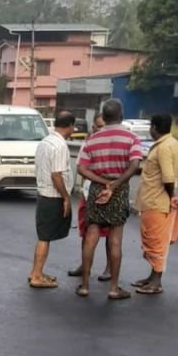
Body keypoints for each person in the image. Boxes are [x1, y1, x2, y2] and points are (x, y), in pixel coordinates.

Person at [75, 98, 144, 300]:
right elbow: (134, 165)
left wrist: (102, 181)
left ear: (103, 117)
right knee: (115, 239)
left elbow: (81, 167)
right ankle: (114, 288)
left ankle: (85, 285)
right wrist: (115, 184)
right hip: (119, 189)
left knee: (91, 235)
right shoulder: (132, 138)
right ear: (121, 115)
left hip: (97, 189)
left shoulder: (92, 139)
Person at [132, 113, 178, 294]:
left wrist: (172, 196)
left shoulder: (164, 147)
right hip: (153, 200)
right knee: (152, 240)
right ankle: (152, 277)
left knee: (156, 242)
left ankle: (156, 282)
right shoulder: (170, 144)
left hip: (156, 201)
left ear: (153, 127)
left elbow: (168, 177)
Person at [29, 111, 76, 288]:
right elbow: (57, 175)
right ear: (70, 125)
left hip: (43, 192)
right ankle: (37, 276)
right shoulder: (59, 146)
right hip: (52, 196)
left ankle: (36, 271)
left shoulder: (45, 142)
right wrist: (66, 197)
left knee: (44, 235)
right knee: (45, 236)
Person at [68, 113, 112, 283]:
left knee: (111, 234)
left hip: (111, 192)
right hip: (89, 192)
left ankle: (109, 268)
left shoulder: (113, 143)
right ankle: (84, 266)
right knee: (86, 232)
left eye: (102, 126)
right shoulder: (89, 143)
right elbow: (81, 167)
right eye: (97, 126)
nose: (99, 129)